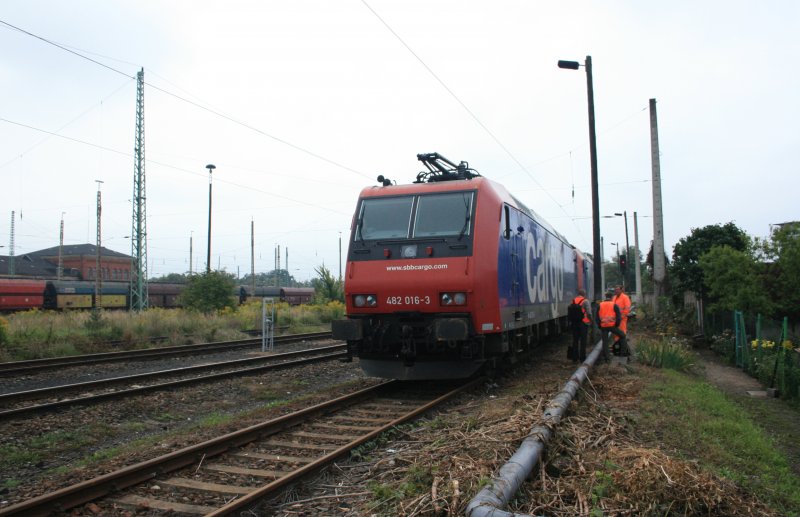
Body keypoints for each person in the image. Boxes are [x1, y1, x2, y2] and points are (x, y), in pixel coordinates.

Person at [596, 291, 627, 362]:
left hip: (603, 326)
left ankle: (607, 358)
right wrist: (617, 325)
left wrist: (599, 325)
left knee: (605, 341)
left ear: (605, 296)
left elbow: (597, 317)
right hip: (612, 326)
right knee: (622, 335)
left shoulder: (600, 305)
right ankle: (623, 353)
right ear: (612, 297)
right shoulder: (614, 305)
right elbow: (618, 317)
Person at [570, 288, 594, 362]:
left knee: (575, 340)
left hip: (574, 323)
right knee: (583, 341)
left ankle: (574, 357)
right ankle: (582, 358)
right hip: (583, 323)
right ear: (584, 294)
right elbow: (589, 313)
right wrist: (591, 321)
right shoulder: (585, 301)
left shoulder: (573, 300)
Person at [613, 285, 632, 355]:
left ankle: (623, 350)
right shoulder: (614, 297)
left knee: (622, 333)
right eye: (615, 290)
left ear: (621, 290)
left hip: (622, 319)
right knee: (616, 334)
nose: (616, 291)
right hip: (615, 319)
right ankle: (618, 349)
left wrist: (621, 316)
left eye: (618, 289)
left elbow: (627, 308)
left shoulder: (625, 297)